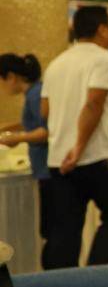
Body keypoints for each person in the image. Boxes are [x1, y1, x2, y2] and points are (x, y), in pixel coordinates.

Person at [40, 5, 108, 269]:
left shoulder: (57, 63)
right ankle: (96, 276)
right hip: (98, 156)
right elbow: (94, 103)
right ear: (102, 29)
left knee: (65, 230)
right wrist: (78, 147)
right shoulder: (105, 59)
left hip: (59, 162)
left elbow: (46, 111)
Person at [0, 52, 56, 265]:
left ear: (11, 77)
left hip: (47, 167)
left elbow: (46, 130)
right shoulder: (34, 94)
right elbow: (31, 124)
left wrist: (17, 138)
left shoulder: (35, 94)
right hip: (43, 167)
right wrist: (11, 130)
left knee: (50, 226)